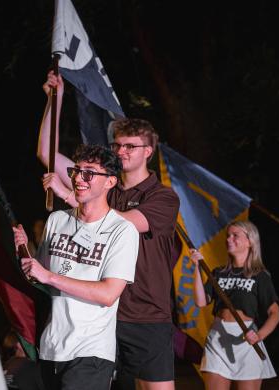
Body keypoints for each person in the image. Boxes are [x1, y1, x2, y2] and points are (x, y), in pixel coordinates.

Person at [37, 72, 180, 390]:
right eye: (117, 145)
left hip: (143, 314)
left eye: (131, 145)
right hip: (99, 315)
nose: (122, 151)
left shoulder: (162, 197)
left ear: (149, 151)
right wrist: (55, 100)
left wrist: (71, 196)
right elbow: (47, 153)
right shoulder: (101, 188)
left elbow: (125, 222)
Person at [13, 144, 139, 390]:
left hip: (91, 352)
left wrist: (49, 276)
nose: (78, 179)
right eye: (76, 171)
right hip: (51, 347)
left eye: (89, 173)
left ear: (110, 182)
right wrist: (23, 250)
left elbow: (108, 294)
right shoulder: (57, 220)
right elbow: (40, 280)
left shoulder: (122, 230)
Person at [188, 220, 279, 390]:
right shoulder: (218, 272)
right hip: (218, 339)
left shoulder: (260, 276)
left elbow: (275, 313)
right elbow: (201, 301)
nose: (229, 239)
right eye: (228, 236)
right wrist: (197, 268)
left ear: (250, 241)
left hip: (246, 340)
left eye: (235, 236)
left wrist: (259, 335)